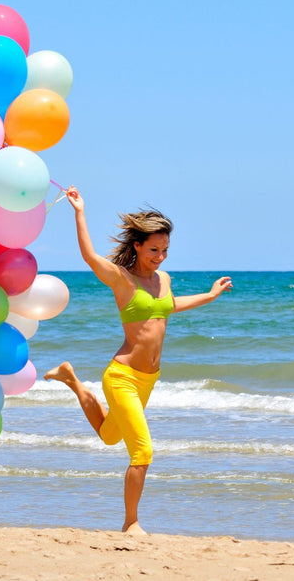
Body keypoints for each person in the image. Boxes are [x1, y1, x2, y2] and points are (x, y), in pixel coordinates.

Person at [44, 186, 232, 535]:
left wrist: (210, 295)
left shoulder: (163, 279)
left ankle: (71, 379)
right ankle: (131, 523)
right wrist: (79, 211)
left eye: (165, 250)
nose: (160, 256)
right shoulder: (122, 279)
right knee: (142, 453)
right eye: (154, 249)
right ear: (137, 246)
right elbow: (89, 257)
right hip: (123, 377)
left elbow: (167, 307)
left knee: (108, 435)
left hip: (149, 379)